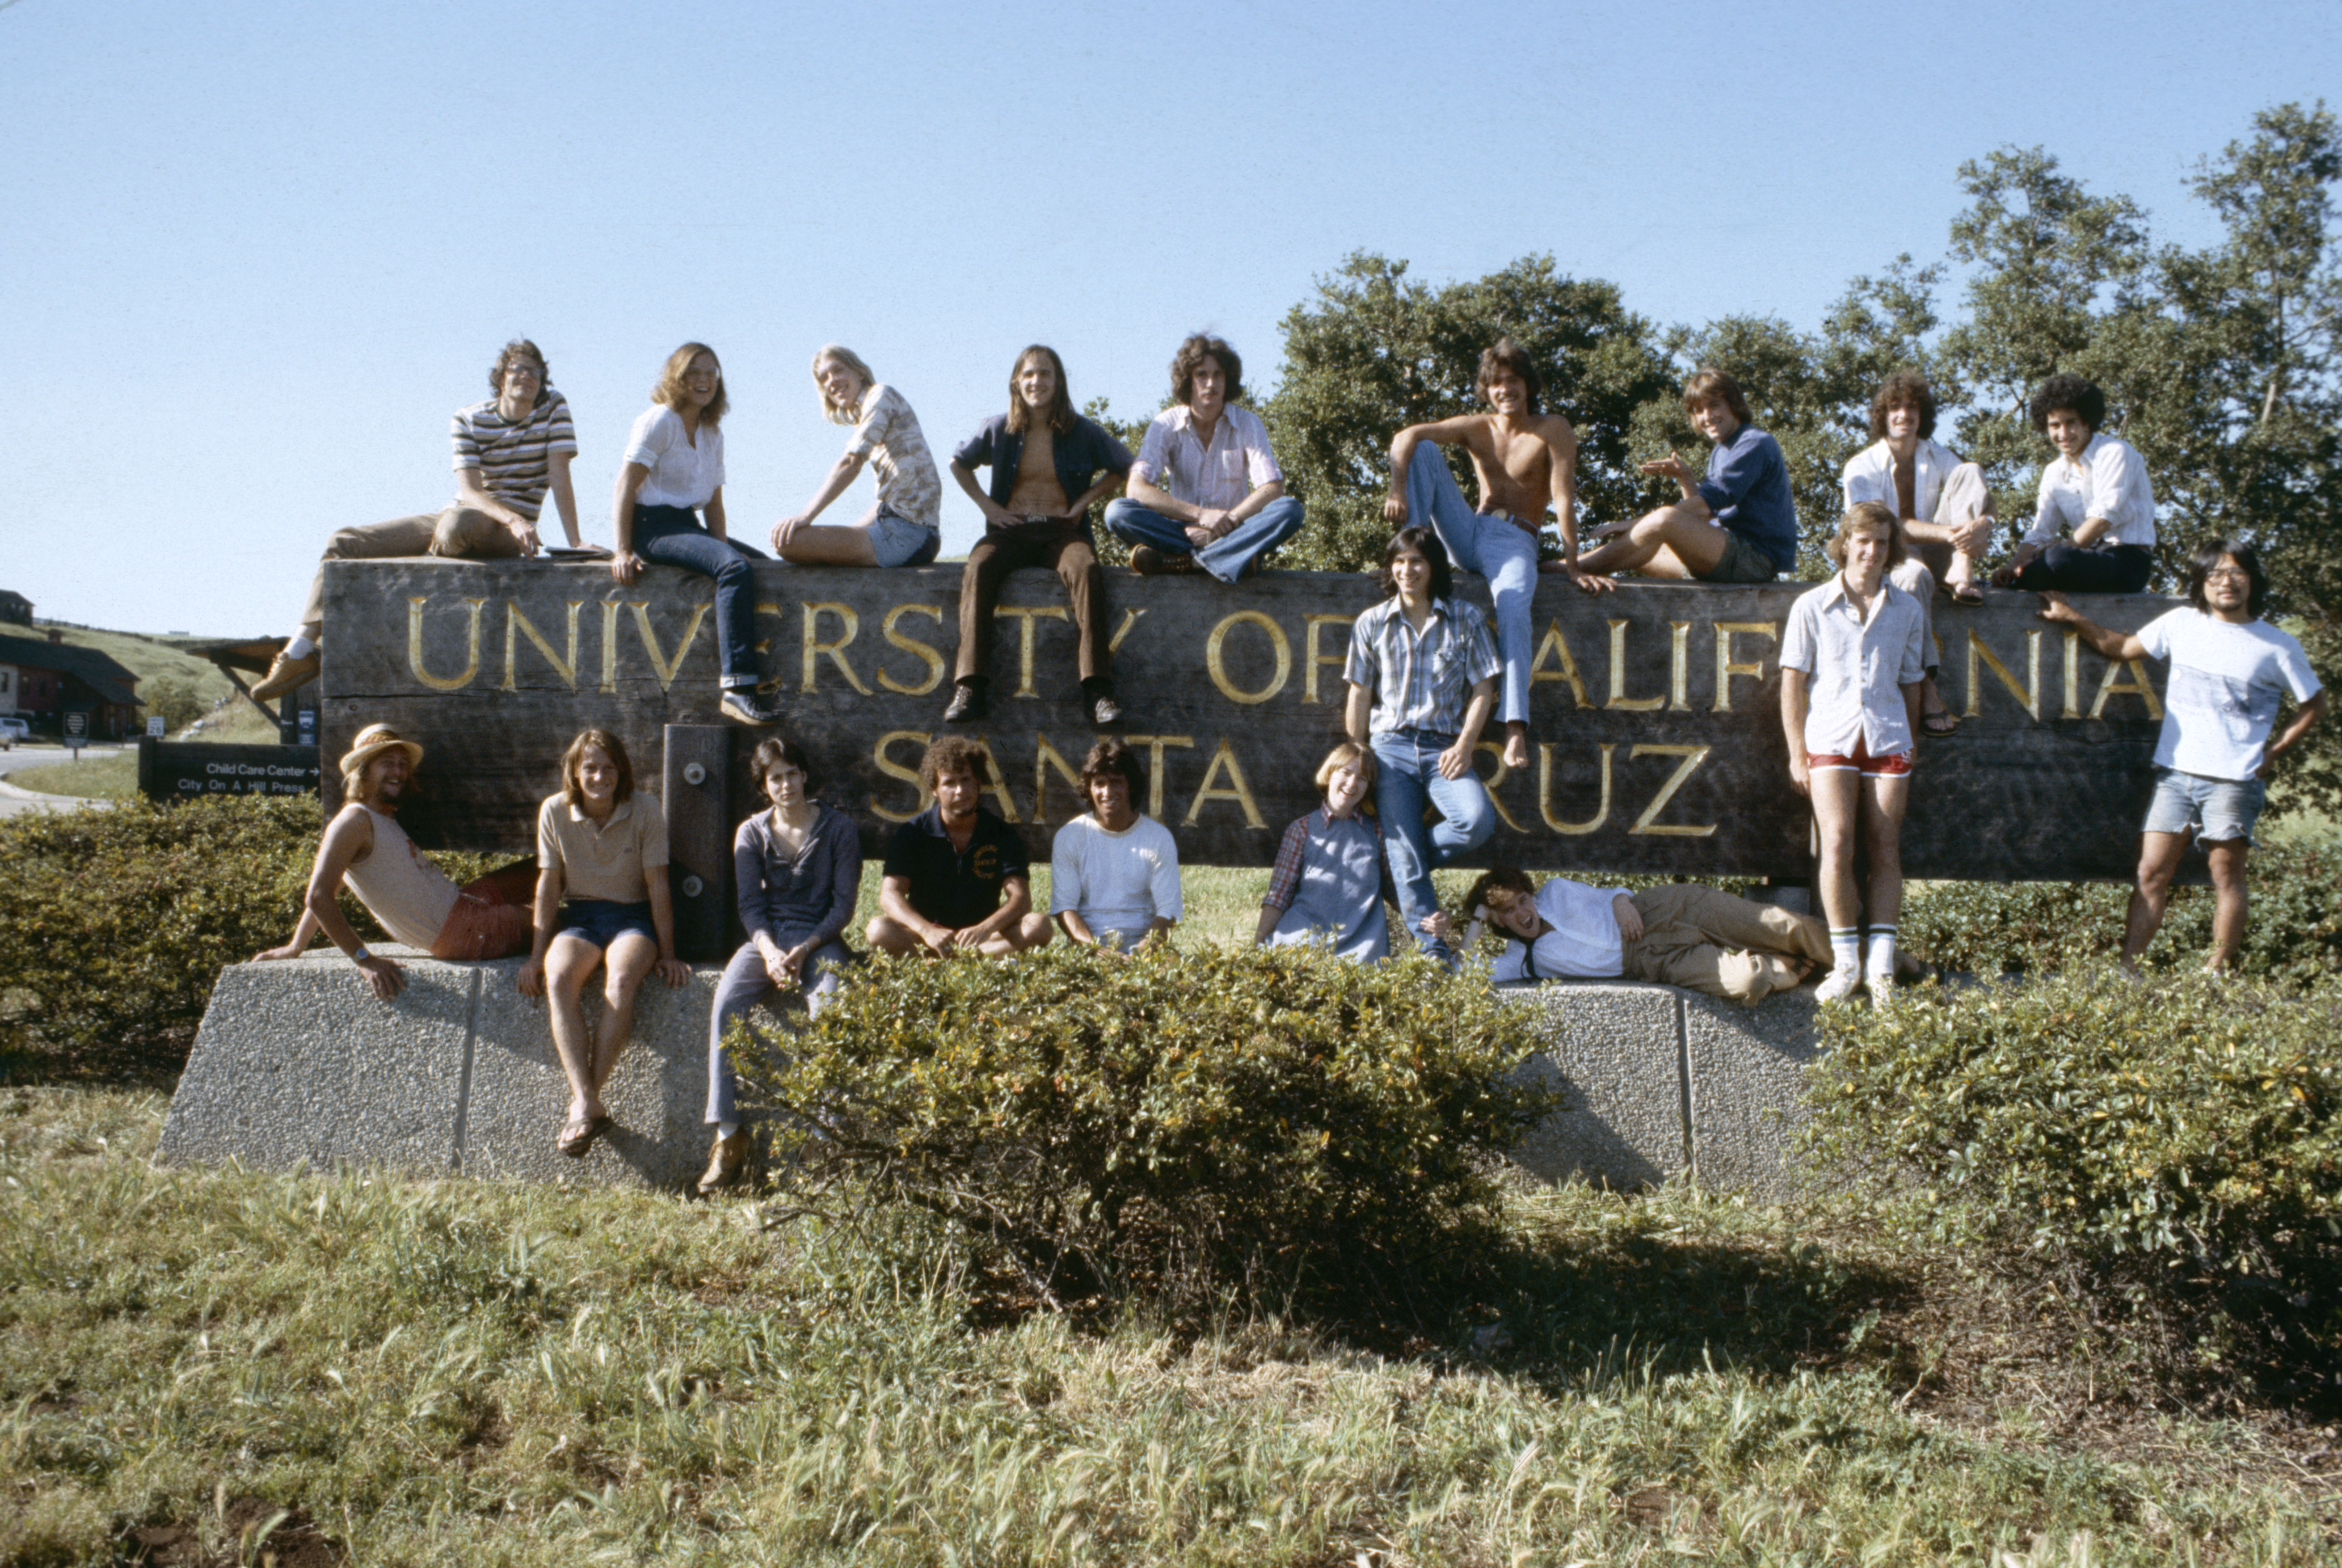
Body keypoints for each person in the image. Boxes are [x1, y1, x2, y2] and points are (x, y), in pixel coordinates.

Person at [2037, 539, 2325, 973]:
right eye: (2214, 575)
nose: (2225, 583)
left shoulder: (2276, 645)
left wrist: (2274, 752)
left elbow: (2314, 704)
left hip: (2233, 779)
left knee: (2225, 878)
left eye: (2236, 574)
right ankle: (2128, 970)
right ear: (2201, 583)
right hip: (2173, 774)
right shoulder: (2181, 623)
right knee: (2150, 873)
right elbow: (2121, 647)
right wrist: (2071, 617)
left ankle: (2215, 971)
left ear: (2251, 581)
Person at [252, 340, 584, 700]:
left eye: (534, 371)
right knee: (343, 541)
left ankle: (433, 557)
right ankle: (299, 651)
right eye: (517, 369)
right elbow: (471, 492)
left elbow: (560, 475)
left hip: (505, 532)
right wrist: (507, 517)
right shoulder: (468, 418)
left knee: (456, 528)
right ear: (500, 379)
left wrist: (575, 542)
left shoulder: (553, 408)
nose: (527, 377)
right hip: (466, 513)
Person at [1383, 337, 1611, 769]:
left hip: (1515, 541)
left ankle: (1514, 728)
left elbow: (1564, 500)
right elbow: (1406, 436)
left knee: (1512, 607)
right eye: (1496, 383)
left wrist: (1574, 565)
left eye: (1513, 381)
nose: (1506, 389)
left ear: (1528, 385)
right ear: (1487, 390)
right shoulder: (1479, 426)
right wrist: (1397, 487)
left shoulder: (1552, 429)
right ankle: (1404, 558)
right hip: (1471, 530)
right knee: (1425, 450)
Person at [253, 723, 536, 990]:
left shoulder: (380, 817)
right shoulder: (353, 820)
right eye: (387, 763)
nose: (398, 772)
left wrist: (296, 946)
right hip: (462, 932)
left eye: (403, 764)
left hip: (466, 902)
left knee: (547, 866)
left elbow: (334, 885)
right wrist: (364, 959)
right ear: (363, 772)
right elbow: (318, 896)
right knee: (560, 924)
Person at [1780, 504, 1928, 1004]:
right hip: (1829, 739)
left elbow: (1912, 683)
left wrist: (1909, 741)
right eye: (1862, 541)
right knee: (1838, 844)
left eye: (1882, 543)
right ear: (1845, 542)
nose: (1871, 552)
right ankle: (1845, 964)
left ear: (1891, 550)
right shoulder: (1812, 605)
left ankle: (1881, 968)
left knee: (1885, 847)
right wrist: (1795, 753)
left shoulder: (1906, 609)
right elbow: (1792, 683)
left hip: (1887, 741)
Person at [516, 730, 690, 1158]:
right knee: (558, 979)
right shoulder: (555, 811)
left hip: (634, 919)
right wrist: (536, 956)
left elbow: (659, 885)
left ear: (622, 771)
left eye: (609, 767)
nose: (600, 776)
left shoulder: (646, 809)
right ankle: (587, 1101)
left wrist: (668, 953)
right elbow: (549, 885)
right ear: (575, 773)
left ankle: (583, 1106)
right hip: (581, 918)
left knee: (622, 980)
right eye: (590, 768)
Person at [700, 736, 862, 1194]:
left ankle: (822, 1139)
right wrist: (770, 952)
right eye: (776, 777)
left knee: (831, 1005)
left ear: (805, 775)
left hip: (822, 937)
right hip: (768, 939)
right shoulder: (751, 833)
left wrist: (807, 946)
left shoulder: (838, 828)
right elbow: (751, 907)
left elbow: (844, 906)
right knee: (726, 1001)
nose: (786, 784)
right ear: (763, 785)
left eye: (792, 773)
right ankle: (729, 1136)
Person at [944, 345, 1136, 728]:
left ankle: (1098, 690)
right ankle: (970, 687)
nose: (1037, 382)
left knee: (1085, 569)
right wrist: (989, 508)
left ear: (1058, 381)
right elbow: (958, 463)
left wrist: (1081, 504)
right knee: (979, 566)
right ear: (1017, 381)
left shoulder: (1080, 430)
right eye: (1029, 374)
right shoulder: (998, 428)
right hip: (1010, 529)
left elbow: (1126, 464)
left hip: (1061, 531)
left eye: (1046, 374)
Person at [1344, 527, 1501, 967]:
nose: (1406, 570)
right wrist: (1358, 750)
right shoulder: (1372, 622)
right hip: (1389, 748)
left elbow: (1484, 689)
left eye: (1416, 561)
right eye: (1398, 561)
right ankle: (1432, 953)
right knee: (1405, 852)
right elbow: (1359, 692)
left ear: (1432, 567)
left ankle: (1397, 866)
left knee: (1474, 820)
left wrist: (1466, 744)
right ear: (1389, 568)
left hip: (1443, 749)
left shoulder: (1465, 619)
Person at [611, 343, 781, 726]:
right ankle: (738, 688)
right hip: (650, 527)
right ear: (678, 378)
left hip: (687, 524)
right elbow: (625, 486)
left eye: (712, 373)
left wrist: (721, 549)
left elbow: (714, 503)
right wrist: (621, 550)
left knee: (759, 567)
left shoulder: (711, 432)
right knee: (734, 568)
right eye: (694, 373)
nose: (704, 381)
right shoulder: (660, 421)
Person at [1421, 866, 1828, 1002]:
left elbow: (1609, 894)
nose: (1523, 913)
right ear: (1497, 920)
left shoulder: (1557, 892)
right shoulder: (1522, 961)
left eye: (1523, 901)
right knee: (1749, 980)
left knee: (1783, 926)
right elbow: (1464, 976)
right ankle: (1785, 967)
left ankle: (1874, 962)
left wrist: (1620, 902)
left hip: (1662, 911)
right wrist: (1475, 920)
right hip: (1653, 962)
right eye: (1508, 911)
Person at [1841, 369, 1991, 735]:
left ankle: (1962, 570)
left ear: (1922, 415)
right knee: (1914, 575)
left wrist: (1985, 523)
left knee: (1970, 471)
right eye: (1895, 407)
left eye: (1911, 408)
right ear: (1882, 415)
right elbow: (1884, 529)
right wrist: (1951, 532)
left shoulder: (1936, 455)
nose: (1903, 415)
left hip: (1941, 554)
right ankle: (1926, 686)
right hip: (1889, 557)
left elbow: (1974, 491)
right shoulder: (1862, 466)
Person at [1103, 333, 1305, 583]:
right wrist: (1200, 515)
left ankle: (1188, 562)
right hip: (1182, 532)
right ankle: (1227, 559)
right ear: (1188, 381)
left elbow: (1273, 487)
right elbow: (1136, 489)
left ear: (1227, 379)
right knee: (1117, 512)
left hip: (1234, 531)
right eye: (1202, 375)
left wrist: (1226, 524)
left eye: (1218, 374)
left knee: (1290, 509)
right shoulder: (1165, 425)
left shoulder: (1247, 423)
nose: (1211, 383)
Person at [1576, 367, 1797, 586]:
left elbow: (1707, 505)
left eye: (1714, 405)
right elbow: (1703, 518)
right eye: (1699, 410)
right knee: (1637, 547)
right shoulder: (1723, 449)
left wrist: (1632, 524)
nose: (1707, 417)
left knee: (1663, 519)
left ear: (1734, 405)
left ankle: (1573, 569)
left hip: (1753, 560)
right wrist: (1686, 478)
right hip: (1726, 555)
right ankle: (1568, 565)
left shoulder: (1753, 442)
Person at [867, 735, 1053, 957]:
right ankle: (951, 957)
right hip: (927, 938)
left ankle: (966, 959)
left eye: (966, 780)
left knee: (1039, 925)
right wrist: (926, 931)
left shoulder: (1001, 833)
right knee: (878, 930)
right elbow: (890, 895)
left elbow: (1021, 900)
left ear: (977, 783)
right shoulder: (913, 833)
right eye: (949, 783)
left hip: (982, 939)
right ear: (934, 790)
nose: (960, 791)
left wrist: (985, 929)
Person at [769, 346, 943, 569]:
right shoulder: (870, 413)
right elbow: (887, 501)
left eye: (838, 370)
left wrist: (804, 517)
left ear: (859, 372)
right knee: (802, 543)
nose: (832, 381)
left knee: (788, 542)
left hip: (911, 536)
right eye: (824, 378)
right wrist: (855, 534)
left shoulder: (881, 396)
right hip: (910, 532)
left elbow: (850, 463)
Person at [1992, 373, 2157, 594]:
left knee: (2057, 558)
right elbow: (2040, 532)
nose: (2063, 434)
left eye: (2071, 423)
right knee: (2032, 569)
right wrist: (2014, 567)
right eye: (2055, 426)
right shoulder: (2054, 472)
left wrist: (2060, 550)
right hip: (2086, 559)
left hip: (2127, 562)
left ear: (2087, 423)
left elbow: (2103, 518)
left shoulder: (2116, 452)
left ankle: (2033, 577)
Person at [1252, 741, 1392, 963]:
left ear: (1368, 788)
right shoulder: (1301, 830)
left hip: (1363, 947)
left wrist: (1428, 919)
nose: (1352, 783)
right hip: (1305, 941)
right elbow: (1278, 896)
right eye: (1346, 772)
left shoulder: (1377, 832)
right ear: (1329, 774)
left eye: (1362, 778)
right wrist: (1257, 945)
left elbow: (1397, 890)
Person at [1049, 738, 1181, 954]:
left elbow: (1169, 910)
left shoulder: (1159, 837)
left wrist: (1142, 951)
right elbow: (1065, 909)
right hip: (1088, 946)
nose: (1107, 793)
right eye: (1099, 783)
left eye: (1116, 782)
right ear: (1089, 788)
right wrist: (1098, 951)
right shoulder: (1069, 836)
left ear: (1130, 786)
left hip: (1147, 946)